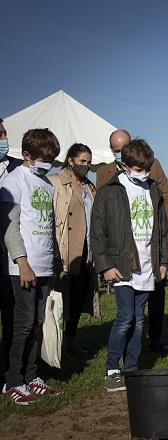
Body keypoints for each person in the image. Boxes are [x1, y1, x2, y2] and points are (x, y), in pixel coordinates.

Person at [91, 139, 168, 392]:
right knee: (125, 318)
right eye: (138, 169)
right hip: (121, 265)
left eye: (146, 168)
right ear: (124, 166)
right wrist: (105, 265)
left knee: (139, 320)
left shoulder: (153, 190)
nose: (144, 173)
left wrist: (164, 261)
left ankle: (132, 368)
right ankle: (112, 369)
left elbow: (163, 230)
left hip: (148, 265)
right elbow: (97, 232)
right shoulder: (109, 191)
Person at [0, 128, 62, 405]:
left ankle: (32, 375)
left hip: (45, 265)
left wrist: (56, 260)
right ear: (27, 155)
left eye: (51, 158)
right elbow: (9, 227)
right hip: (23, 268)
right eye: (43, 158)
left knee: (37, 323)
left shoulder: (46, 183)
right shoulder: (15, 181)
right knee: (21, 325)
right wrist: (22, 263)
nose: (48, 163)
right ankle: (13, 380)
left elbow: (48, 228)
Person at [48, 143, 98, 355]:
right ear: (70, 160)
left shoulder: (89, 186)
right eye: (82, 161)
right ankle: (52, 343)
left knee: (79, 296)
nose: (86, 165)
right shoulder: (56, 182)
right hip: (66, 248)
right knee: (61, 297)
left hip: (86, 248)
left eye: (88, 162)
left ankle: (71, 338)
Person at [0, 119, 23, 385]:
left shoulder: (17, 168)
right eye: (0, 134)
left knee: (12, 315)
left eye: (5, 133)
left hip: (12, 256)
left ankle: (9, 370)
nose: (4, 138)